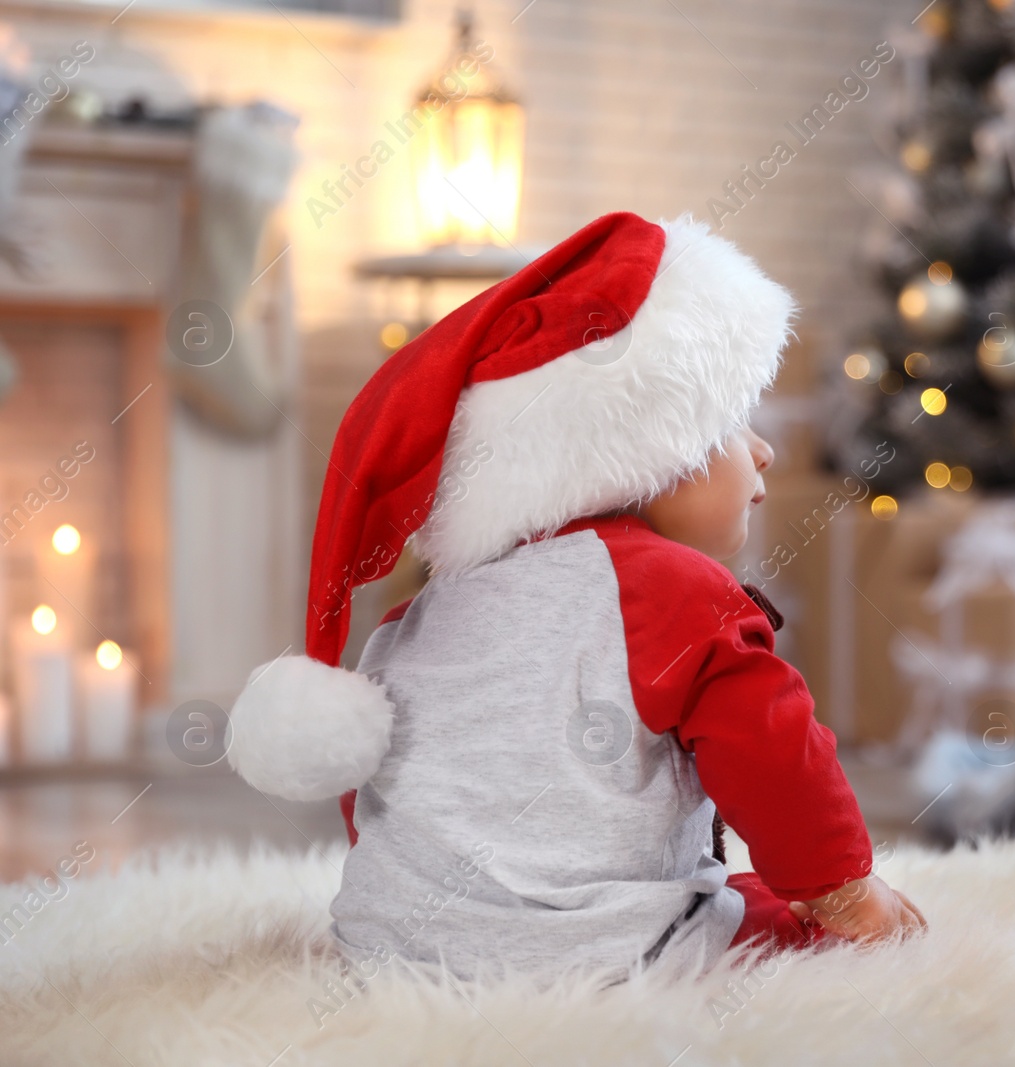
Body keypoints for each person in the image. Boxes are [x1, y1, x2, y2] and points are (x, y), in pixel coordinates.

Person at [227, 211, 926, 985]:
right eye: (732, 421)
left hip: (393, 954)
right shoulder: (673, 590)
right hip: (606, 956)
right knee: (793, 925)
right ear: (645, 448)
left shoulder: (414, 618)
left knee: (737, 892)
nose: (764, 450)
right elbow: (776, 756)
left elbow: (383, 807)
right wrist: (847, 894)